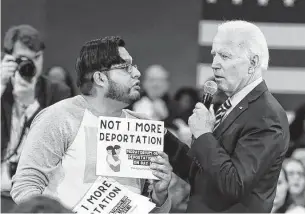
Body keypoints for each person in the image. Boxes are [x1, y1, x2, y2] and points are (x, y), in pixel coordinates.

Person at [130, 20, 290, 212]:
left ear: (253, 63)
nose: (214, 65)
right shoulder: (231, 105)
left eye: (225, 56)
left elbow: (234, 184)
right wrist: (156, 134)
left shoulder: (266, 116)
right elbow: (201, 173)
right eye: (214, 55)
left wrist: (204, 135)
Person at [11, 36, 172, 212]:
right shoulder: (59, 117)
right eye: (126, 67)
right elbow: (25, 186)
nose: (137, 73)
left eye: (134, 66)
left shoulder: (141, 126)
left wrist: (159, 196)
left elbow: (153, 209)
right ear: (100, 78)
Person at [0, 25, 70, 212]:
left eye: (37, 57)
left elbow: (58, 143)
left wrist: (32, 107)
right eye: (24, 58)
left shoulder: (57, 91)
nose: (32, 64)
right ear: (8, 57)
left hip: (37, 196)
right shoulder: (1, 85)